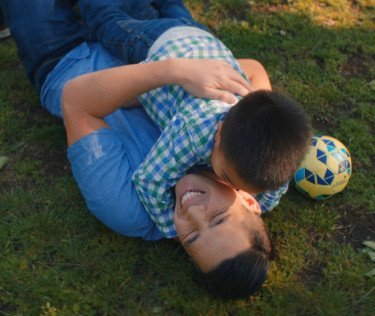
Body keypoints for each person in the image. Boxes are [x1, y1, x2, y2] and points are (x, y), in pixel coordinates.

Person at [1, 0, 274, 299]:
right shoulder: (248, 160)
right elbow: (251, 70)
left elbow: (76, 101)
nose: (193, 211)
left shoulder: (129, 209)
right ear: (249, 201)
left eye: (192, 236)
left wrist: (172, 75)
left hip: (68, 56)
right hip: (146, 36)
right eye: (218, 217)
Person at [76, 0, 312, 237]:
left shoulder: (280, 162)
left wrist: (259, 207)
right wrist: (175, 227)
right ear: (217, 133)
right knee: (107, 21)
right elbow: (149, 182)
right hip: (158, 45)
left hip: (200, 38)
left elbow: (275, 190)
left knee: (173, 9)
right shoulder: (195, 131)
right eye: (227, 177)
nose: (232, 189)